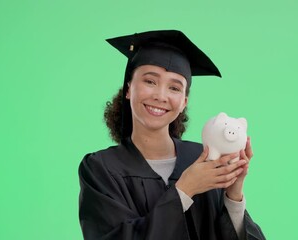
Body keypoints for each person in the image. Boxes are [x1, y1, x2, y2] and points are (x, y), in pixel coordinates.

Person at [78, 30, 266, 240]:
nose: (160, 96)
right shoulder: (101, 168)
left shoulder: (203, 159)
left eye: (174, 87)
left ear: (184, 102)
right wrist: (185, 190)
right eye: (150, 81)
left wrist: (233, 194)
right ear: (128, 89)